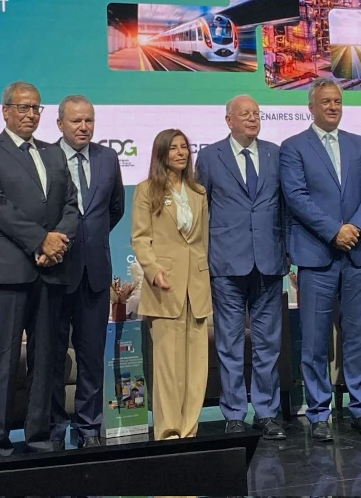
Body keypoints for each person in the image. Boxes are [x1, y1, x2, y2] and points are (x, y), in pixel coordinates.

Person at [0, 82, 79, 455]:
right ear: (5, 111)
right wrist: (39, 241)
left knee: (45, 357)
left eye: (36, 108)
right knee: (2, 359)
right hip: (8, 272)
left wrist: (57, 241)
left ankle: (38, 435)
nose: (31, 114)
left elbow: (71, 205)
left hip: (50, 270)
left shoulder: (53, 153)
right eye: (23, 108)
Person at [280, 79, 361, 441]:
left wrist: (354, 226)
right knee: (314, 339)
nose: (333, 107)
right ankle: (319, 412)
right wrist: (333, 231)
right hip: (317, 255)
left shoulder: (358, 145)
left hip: (356, 254)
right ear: (311, 107)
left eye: (337, 101)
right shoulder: (293, 147)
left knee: (356, 336)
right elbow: (296, 196)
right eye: (325, 101)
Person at [195, 95, 287, 440]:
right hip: (226, 261)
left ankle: (266, 412)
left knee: (268, 344)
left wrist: (287, 253)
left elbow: (285, 206)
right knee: (230, 344)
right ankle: (234, 413)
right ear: (228, 120)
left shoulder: (275, 154)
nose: (252, 119)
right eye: (245, 114)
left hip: (269, 260)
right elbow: (200, 208)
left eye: (256, 114)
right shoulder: (209, 156)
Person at [50, 95, 126, 449]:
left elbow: (115, 209)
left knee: (92, 356)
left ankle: (88, 430)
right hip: (54, 274)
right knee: (50, 357)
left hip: (95, 273)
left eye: (89, 121)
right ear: (60, 123)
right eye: (76, 121)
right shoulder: (46, 158)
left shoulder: (108, 158)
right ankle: (53, 431)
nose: (83, 127)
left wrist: (90, 241)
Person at [131, 129, 211, 440]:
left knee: (196, 366)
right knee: (167, 367)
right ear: (161, 154)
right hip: (165, 286)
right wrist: (153, 270)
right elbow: (140, 239)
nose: (180, 153)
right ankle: (168, 431)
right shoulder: (146, 191)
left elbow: (201, 240)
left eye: (184, 148)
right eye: (173, 148)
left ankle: (189, 428)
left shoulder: (199, 193)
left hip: (197, 286)